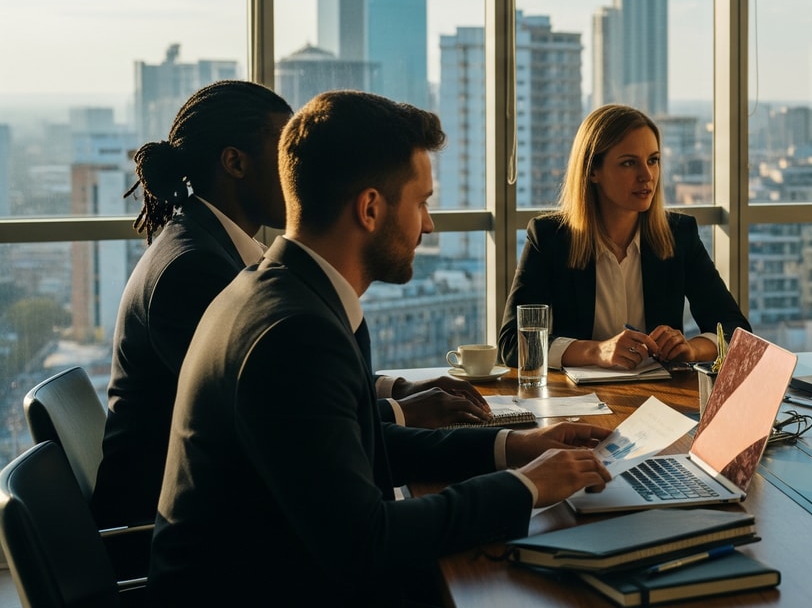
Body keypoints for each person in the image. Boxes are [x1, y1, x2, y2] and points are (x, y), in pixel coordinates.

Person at [149, 91, 611, 606]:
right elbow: (366, 542)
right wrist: (527, 488)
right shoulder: (295, 333)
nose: (429, 225)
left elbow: (351, 443)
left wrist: (510, 447)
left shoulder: (276, 288)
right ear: (370, 208)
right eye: (422, 203)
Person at [93, 82, 488, 529]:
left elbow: (296, 388)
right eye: (282, 147)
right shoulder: (193, 269)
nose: (295, 165)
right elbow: (285, 407)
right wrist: (404, 414)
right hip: (168, 528)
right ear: (234, 163)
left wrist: (394, 390)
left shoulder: (218, 250)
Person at [499, 104, 750, 369]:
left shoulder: (679, 234)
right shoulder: (550, 238)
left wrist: (691, 349)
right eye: (629, 163)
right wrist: (596, 352)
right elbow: (513, 343)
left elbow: (737, 331)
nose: (647, 175)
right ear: (593, 171)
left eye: (653, 160)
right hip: (578, 401)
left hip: (660, 399)